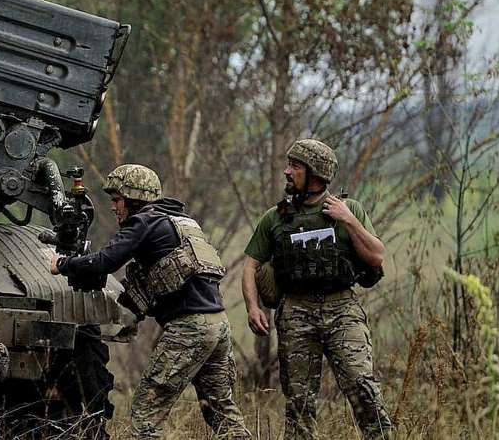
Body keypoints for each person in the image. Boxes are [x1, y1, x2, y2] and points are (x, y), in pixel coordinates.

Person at [50, 164, 249, 439]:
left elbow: (105, 261)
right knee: (221, 411)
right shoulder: (182, 222)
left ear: (135, 199)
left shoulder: (144, 222)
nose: (113, 207)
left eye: (117, 200)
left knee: (146, 411)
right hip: (219, 326)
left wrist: (62, 264)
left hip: (190, 328)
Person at [241, 139, 392, 440]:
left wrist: (348, 219)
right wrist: (253, 308)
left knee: (363, 388)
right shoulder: (275, 218)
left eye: (295, 166)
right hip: (296, 311)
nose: (287, 172)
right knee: (299, 403)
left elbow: (377, 256)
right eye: (289, 165)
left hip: (342, 309)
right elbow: (250, 266)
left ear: (316, 173)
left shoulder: (349, 209)